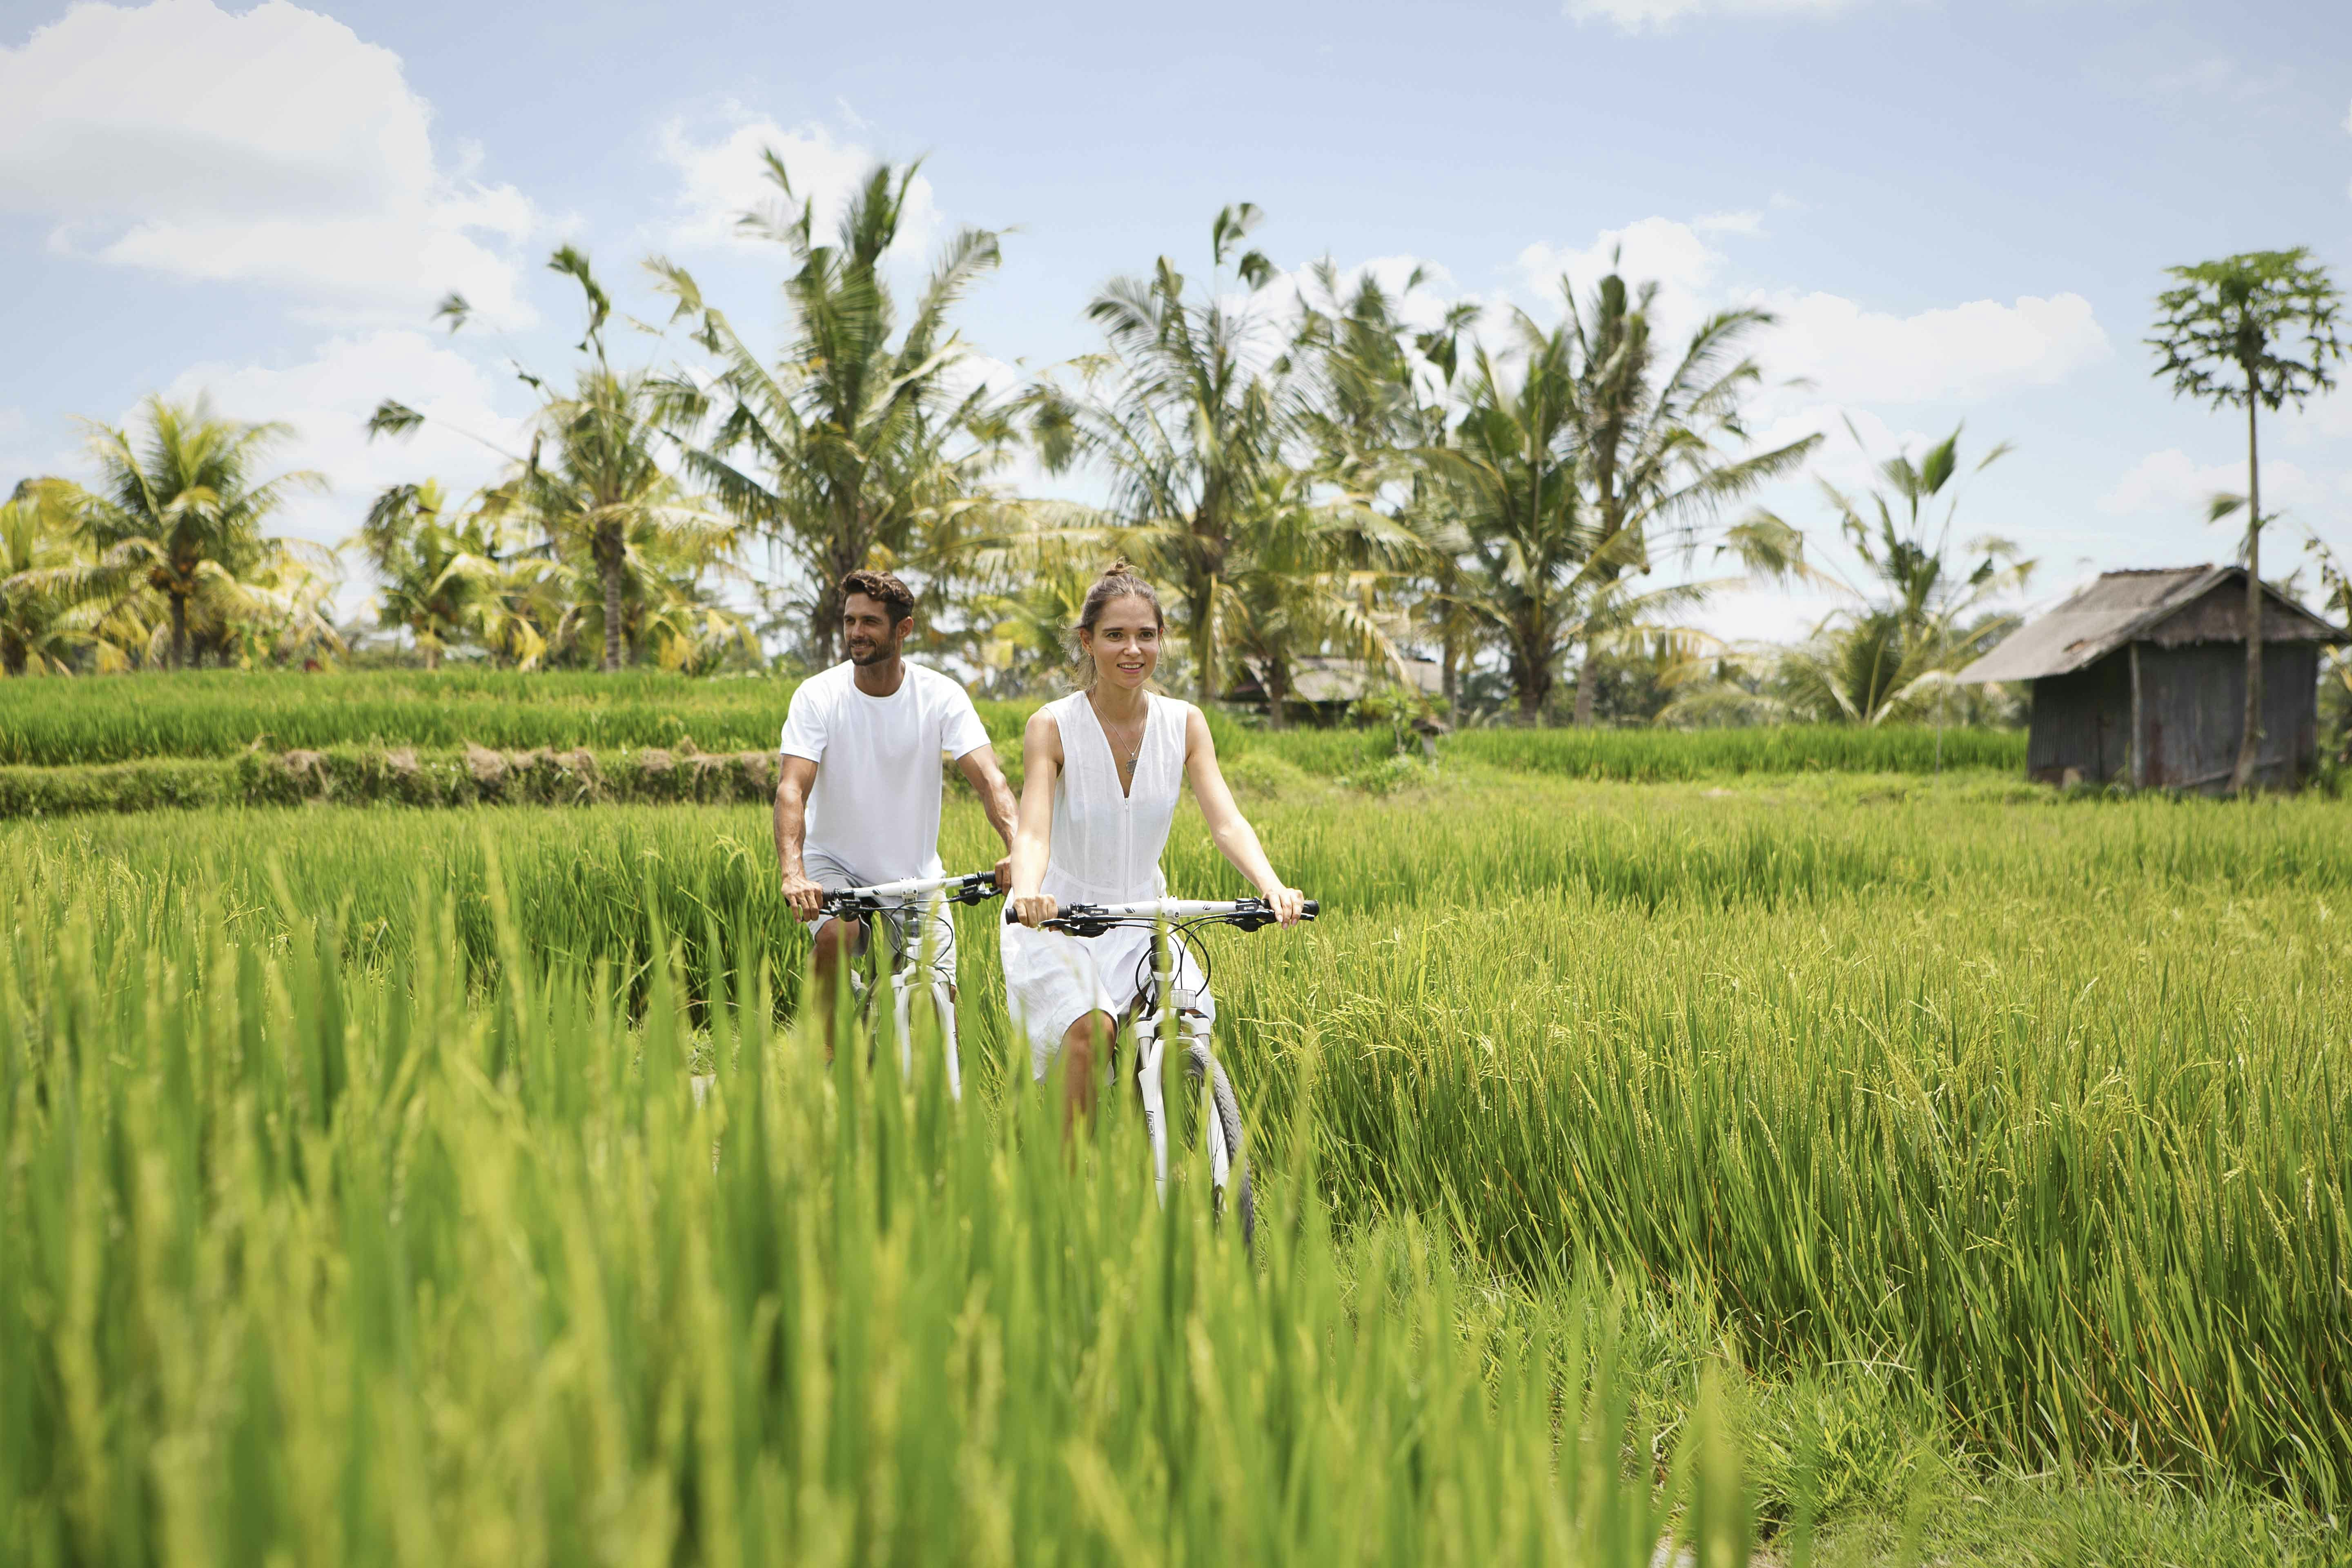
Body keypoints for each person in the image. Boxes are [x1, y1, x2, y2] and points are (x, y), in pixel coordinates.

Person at [1002, 561, 1305, 1125]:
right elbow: (1034, 830)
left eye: (1146, 634)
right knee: (1092, 1030)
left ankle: (1159, 1155)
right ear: (1088, 641)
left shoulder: (1184, 723)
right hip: (1062, 918)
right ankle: (1065, 1193)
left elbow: (1227, 822)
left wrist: (1271, 885)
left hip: (1143, 914)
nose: (1132, 649)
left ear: (1161, 639)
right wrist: (1027, 893)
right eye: (1116, 635)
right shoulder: (1052, 726)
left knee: (1183, 1021)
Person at [776, 568, 1019, 1041]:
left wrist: (1019, 846)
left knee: (937, 998)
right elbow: (792, 789)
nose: (855, 633)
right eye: (849, 621)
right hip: (834, 864)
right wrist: (794, 872)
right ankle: (823, 1058)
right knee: (837, 935)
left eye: (869, 622)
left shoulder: (940, 695)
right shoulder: (818, 695)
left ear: (902, 629)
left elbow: (991, 780)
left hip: (915, 873)